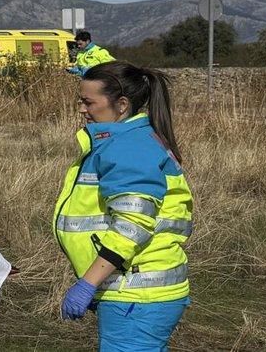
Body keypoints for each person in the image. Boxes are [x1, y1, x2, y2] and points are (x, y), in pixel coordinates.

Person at [56, 61, 192, 351]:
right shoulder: (132, 140)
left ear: (121, 105)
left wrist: (89, 282)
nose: (82, 109)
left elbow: (132, 225)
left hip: (137, 294)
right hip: (140, 292)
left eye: (88, 102)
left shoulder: (128, 147)